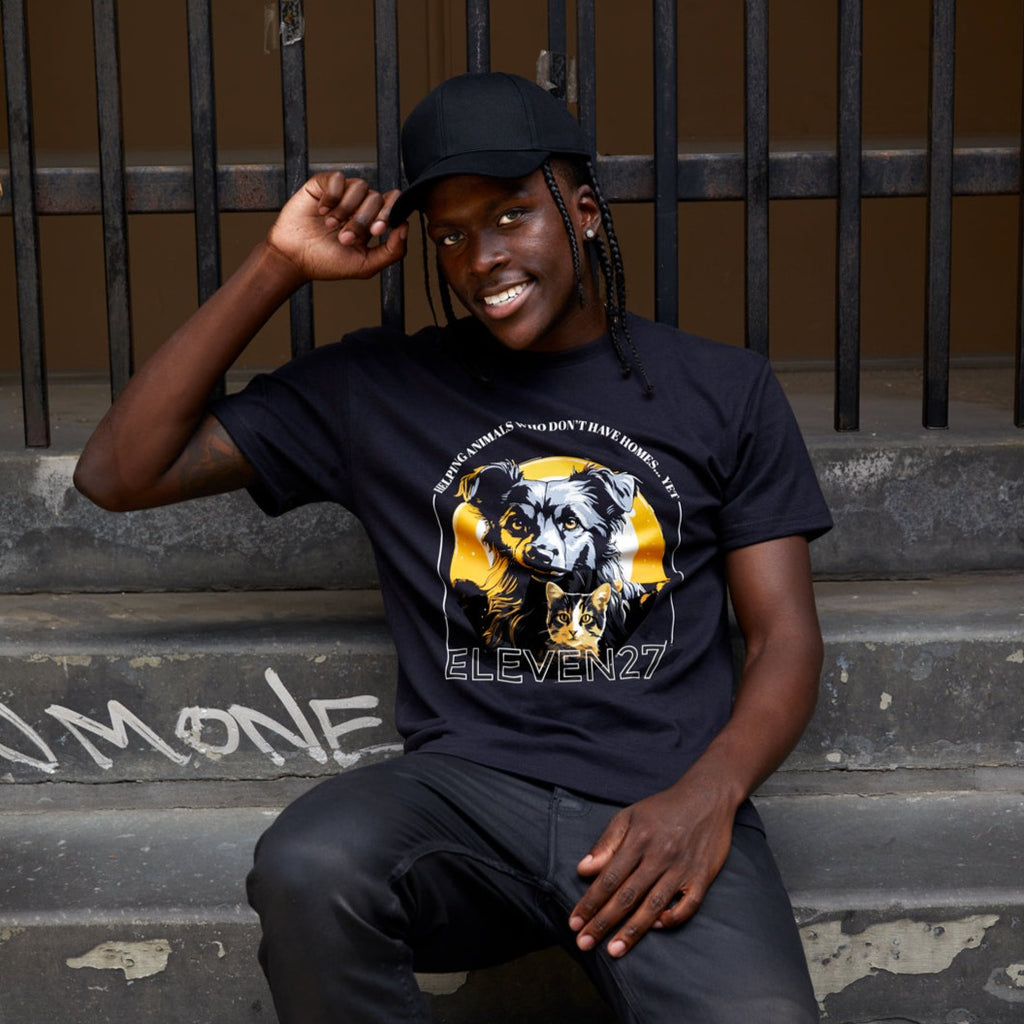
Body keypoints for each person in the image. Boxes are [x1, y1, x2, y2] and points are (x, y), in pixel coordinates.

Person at [74, 72, 832, 1023]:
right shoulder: (378, 390)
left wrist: (707, 799)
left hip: (662, 807)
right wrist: (278, 263)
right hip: (466, 804)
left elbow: (784, 637)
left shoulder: (724, 390)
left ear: (586, 214)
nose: (483, 258)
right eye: (450, 234)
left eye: (514, 215)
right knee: (312, 862)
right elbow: (117, 473)